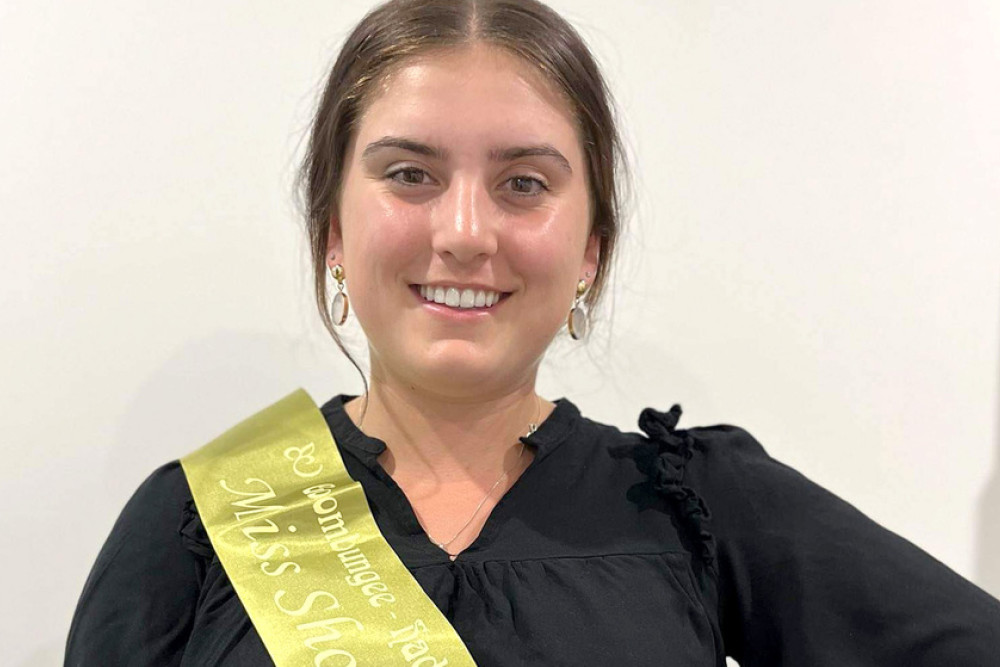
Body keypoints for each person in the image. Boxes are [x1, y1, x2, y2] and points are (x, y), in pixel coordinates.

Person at [65, 0, 1000, 665]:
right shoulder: (197, 522)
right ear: (332, 230)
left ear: (590, 247)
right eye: (408, 174)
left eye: (523, 183)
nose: (465, 232)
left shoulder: (695, 508)